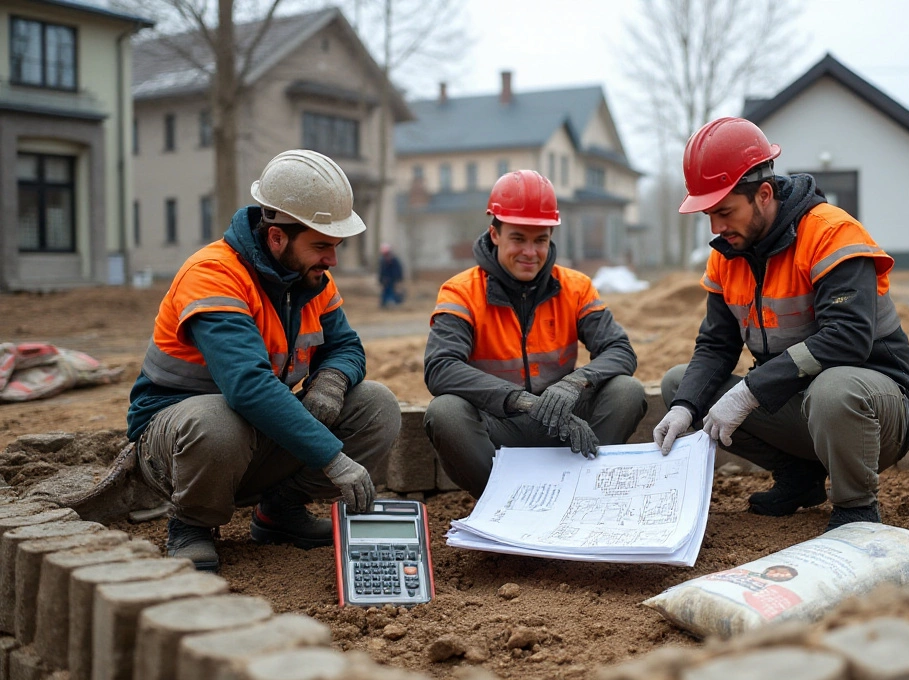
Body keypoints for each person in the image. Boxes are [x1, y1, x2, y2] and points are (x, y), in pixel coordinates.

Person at [126, 149, 401, 572]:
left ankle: (279, 512)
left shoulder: (310, 279)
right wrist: (333, 458)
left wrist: (331, 379)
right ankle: (192, 524)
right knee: (215, 419)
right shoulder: (213, 274)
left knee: (376, 404)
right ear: (277, 237)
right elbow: (247, 386)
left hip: (249, 434)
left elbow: (346, 346)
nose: (332, 260)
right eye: (322, 245)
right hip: (176, 447)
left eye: (336, 246)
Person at [652, 118, 909, 532]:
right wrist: (683, 407)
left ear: (763, 194)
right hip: (802, 406)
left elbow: (848, 337)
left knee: (833, 392)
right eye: (709, 214)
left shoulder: (830, 233)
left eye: (725, 211)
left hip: (875, 410)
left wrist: (749, 391)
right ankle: (800, 478)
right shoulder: (727, 253)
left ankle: (856, 508)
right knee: (678, 384)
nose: (716, 228)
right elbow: (715, 346)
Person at [423, 170, 647, 498]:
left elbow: (620, 350)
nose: (530, 252)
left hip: (564, 423)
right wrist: (522, 401)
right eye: (518, 238)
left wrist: (575, 383)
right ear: (495, 233)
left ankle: (580, 492)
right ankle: (503, 503)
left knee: (627, 390)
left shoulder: (576, 286)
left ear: (551, 237)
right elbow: (440, 368)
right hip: (499, 426)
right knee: (445, 413)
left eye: (540, 240)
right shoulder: (460, 292)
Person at [378, 244, 405, 308]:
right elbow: (381, 272)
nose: (386, 256)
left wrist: (398, 280)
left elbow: (398, 271)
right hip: (386, 281)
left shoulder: (395, 261)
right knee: (385, 292)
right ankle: (384, 304)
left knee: (393, 291)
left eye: (387, 254)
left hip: (393, 280)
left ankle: (393, 303)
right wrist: (381, 280)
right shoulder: (382, 261)